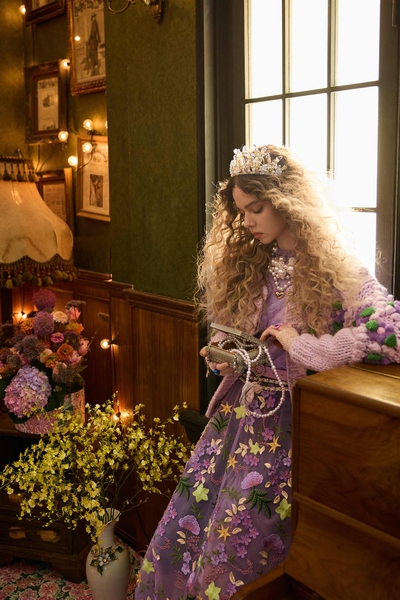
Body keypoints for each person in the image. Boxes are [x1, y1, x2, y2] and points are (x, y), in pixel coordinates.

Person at [135, 144, 400, 599]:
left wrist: (304, 347)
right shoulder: (251, 264)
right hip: (237, 419)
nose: (247, 222)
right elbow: (241, 338)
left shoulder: (338, 267)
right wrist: (225, 355)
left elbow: (389, 335)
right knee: (195, 522)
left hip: (295, 425)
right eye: (241, 212)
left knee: (243, 535)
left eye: (256, 208)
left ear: (286, 201)